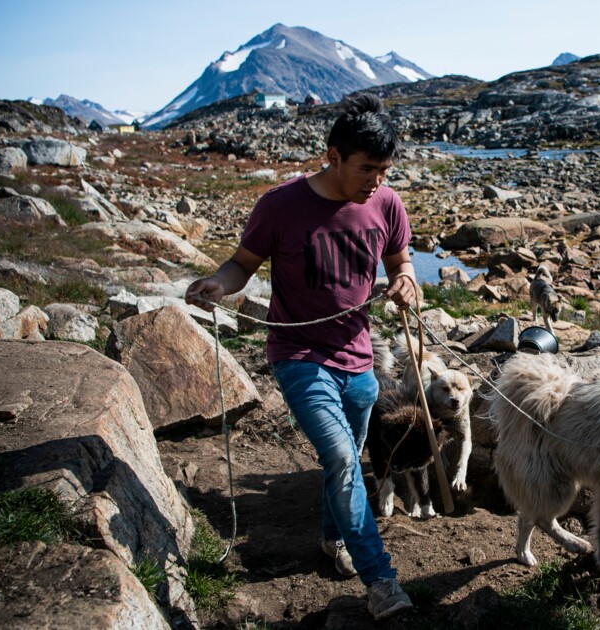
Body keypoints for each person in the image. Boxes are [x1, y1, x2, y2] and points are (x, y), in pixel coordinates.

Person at [185, 93, 417, 621]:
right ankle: (382, 582)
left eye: (384, 169)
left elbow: (402, 263)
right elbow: (241, 264)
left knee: (348, 463)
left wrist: (405, 283)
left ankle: (332, 538)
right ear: (332, 156)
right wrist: (217, 284)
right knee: (339, 458)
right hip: (299, 355)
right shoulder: (280, 206)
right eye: (366, 168)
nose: (376, 180)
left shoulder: (387, 203)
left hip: (360, 361)